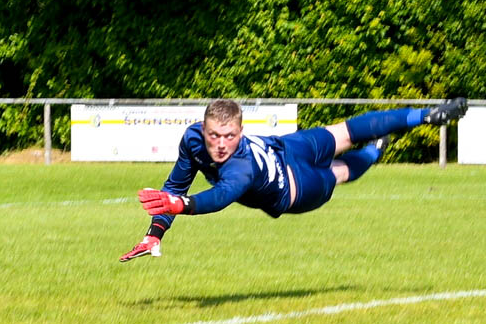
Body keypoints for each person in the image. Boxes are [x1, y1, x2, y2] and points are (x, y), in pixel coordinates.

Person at [118, 96, 467, 261]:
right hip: (296, 186)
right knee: (339, 171)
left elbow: (210, 197)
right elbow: (182, 188)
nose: (221, 144)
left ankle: (425, 115)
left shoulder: (241, 163)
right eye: (214, 135)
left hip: (287, 153)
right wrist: (155, 233)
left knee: (343, 132)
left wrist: (181, 205)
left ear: (241, 131)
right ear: (202, 129)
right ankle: (375, 152)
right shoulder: (195, 142)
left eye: (229, 136)